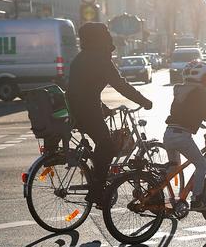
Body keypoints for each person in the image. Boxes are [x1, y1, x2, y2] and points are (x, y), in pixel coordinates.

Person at [64, 21, 153, 207]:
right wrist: (143, 101)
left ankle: (95, 179)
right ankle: (97, 191)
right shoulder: (100, 58)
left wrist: (104, 108)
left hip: (77, 108)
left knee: (101, 146)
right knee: (107, 147)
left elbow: (85, 87)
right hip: (87, 110)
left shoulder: (81, 57)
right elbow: (120, 85)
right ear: (100, 38)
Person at [160, 60, 206, 212]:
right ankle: (197, 200)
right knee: (201, 164)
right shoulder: (200, 93)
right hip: (182, 137)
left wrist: (197, 122)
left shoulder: (181, 90)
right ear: (203, 79)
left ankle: (154, 191)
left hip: (169, 133)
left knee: (173, 168)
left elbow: (182, 112)